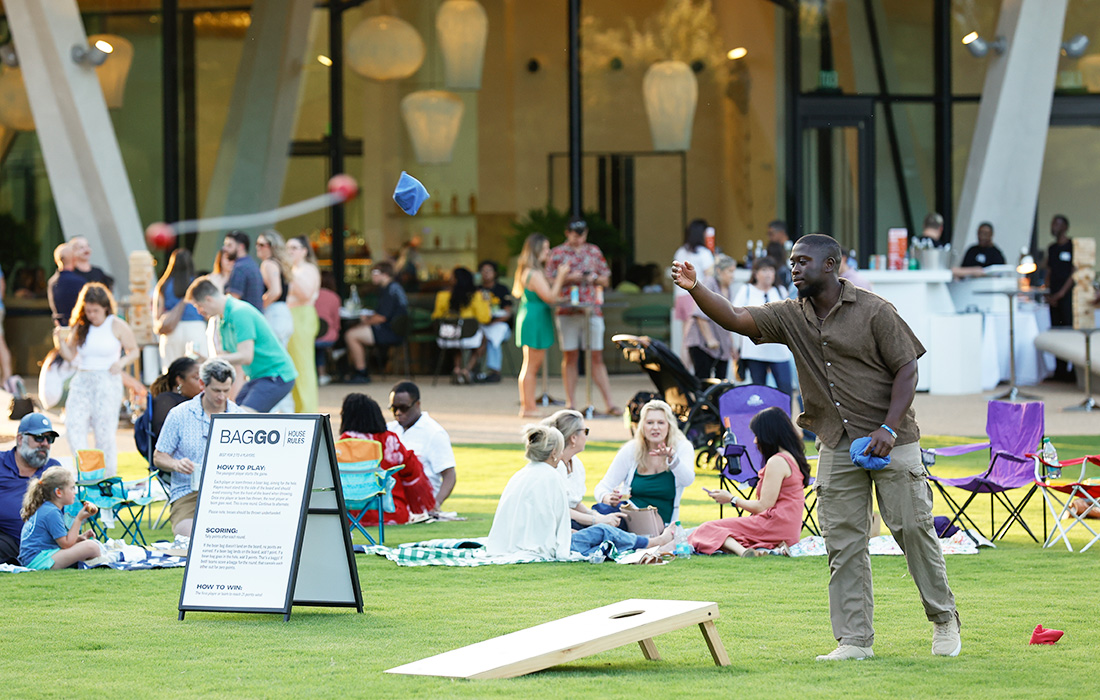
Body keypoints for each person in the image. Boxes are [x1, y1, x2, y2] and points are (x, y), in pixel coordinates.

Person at [672, 233, 961, 661]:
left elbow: (907, 369)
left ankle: (944, 621)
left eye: (802, 261)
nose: (793, 268)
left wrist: (889, 427)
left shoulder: (875, 311)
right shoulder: (790, 315)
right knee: (843, 543)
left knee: (913, 531)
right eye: (791, 261)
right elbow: (733, 317)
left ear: (830, 266)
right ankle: (855, 641)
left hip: (891, 439)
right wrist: (697, 287)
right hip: (837, 441)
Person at [485, 423, 675, 559]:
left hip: (515, 541)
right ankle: (652, 542)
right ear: (553, 453)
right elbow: (557, 519)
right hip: (543, 546)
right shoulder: (550, 476)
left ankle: (646, 542)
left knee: (596, 530)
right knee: (602, 531)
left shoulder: (521, 474)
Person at [690, 406, 810, 556]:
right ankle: (759, 549)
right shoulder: (792, 458)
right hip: (788, 528)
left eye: (757, 435)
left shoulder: (777, 461)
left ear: (768, 435)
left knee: (706, 529)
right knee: (721, 531)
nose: (754, 441)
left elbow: (763, 506)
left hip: (775, 525)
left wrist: (731, 499)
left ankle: (743, 551)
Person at [54, 283, 139, 477]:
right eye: (88, 310)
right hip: (83, 378)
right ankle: (86, 471)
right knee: (74, 426)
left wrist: (122, 362)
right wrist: (59, 341)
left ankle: (106, 476)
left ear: (105, 308)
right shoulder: (82, 327)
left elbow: (133, 350)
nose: (92, 315)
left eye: (95, 310)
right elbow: (70, 355)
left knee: (104, 433)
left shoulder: (116, 325)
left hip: (107, 379)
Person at [154, 359, 241, 537]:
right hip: (188, 493)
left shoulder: (239, 416)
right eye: (216, 390)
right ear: (202, 384)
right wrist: (176, 464)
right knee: (193, 540)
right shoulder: (179, 414)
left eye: (226, 390)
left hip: (230, 495)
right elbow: (159, 457)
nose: (222, 396)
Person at [185, 276, 297, 412]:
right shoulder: (222, 318)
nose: (199, 311)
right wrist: (204, 360)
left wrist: (213, 360)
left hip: (276, 375)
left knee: (243, 417)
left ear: (208, 299)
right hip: (257, 376)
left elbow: (245, 356)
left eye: (199, 306)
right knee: (234, 413)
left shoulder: (239, 312)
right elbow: (227, 356)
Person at [546, 217, 616, 415]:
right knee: (570, 356)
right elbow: (549, 278)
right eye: (575, 235)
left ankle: (609, 403)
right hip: (567, 310)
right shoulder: (558, 253)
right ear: (567, 233)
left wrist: (590, 278)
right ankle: (571, 404)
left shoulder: (593, 251)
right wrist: (568, 278)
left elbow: (605, 278)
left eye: (582, 235)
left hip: (591, 309)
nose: (579, 239)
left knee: (596, 356)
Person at [592, 399, 695, 526]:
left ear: (669, 425)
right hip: (630, 518)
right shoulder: (632, 449)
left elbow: (687, 480)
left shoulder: (682, 447)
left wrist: (673, 459)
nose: (655, 427)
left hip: (662, 525)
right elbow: (602, 487)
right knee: (600, 517)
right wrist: (607, 498)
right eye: (650, 422)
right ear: (642, 426)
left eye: (661, 422)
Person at [338, 393, 437, 524]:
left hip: (353, 516)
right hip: (393, 512)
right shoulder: (391, 441)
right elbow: (412, 471)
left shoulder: (343, 444)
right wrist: (420, 506)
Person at [513, 233, 569, 417]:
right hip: (535, 318)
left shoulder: (529, 271)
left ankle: (527, 405)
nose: (548, 251)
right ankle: (528, 407)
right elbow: (550, 297)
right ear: (536, 250)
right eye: (545, 248)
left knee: (530, 364)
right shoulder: (533, 272)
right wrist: (561, 276)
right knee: (531, 366)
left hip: (533, 315)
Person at [542, 409, 623, 530]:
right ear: (573, 438)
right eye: (585, 431)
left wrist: (596, 516)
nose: (586, 436)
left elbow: (574, 503)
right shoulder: (555, 466)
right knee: (601, 531)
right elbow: (561, 509)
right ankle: (648, 542)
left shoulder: (575, 463)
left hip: (571, 519)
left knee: (613, 514)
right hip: (557, 524)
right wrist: (596, 520)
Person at [0, 413, 62, 565]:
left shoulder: (53, 470)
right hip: (6, 538)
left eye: (50, 439)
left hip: (41, 545)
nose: (45, 443)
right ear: (20, 439)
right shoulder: (1, 463)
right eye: (39, 437)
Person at [386, 381, 456, 512]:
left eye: (403, 407)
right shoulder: (389, 429)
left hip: (421, 501)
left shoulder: (434, 432)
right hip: (395, 499)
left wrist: (436, 504)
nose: (398, 413)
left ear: (417, 404)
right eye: (394, 408)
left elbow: (449, 474)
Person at [730, 257, 794, 395]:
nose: (768, 274)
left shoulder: (780, 291)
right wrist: (735, 346)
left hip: (779, 351)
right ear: (756, 273)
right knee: (758, 393)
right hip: (754, 350)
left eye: (771, 270)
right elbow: (733, 317)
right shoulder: (746, 290)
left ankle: (785, 417)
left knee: (785, 390)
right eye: (764, 270)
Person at [18, 466, 101, 570]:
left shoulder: (48, 508)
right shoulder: (51, 512)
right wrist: (79, 519)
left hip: (37, 558)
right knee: (91, 547)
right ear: (59, 492)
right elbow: (66, 544)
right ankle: (96, 563)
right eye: (72, 488)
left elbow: (61, 541)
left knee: (90, 544)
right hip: (39, 561)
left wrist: (80, 538)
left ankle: (91, 562)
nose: (75, 492)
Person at [344, 261, 408, 384]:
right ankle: (359, 368)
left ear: (385, 274)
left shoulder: (390, 290)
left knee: (351, 335)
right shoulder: (392, 288)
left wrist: (365, 322)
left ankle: (361, 371)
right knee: (354, 331)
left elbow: (382, 317)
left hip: (389, 331)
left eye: (375, 273)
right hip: (392, 329)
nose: (373, 276)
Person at [432, 266, 491, 385]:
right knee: (483, 339)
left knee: (457, 344)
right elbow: (485, 318)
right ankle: (467, 369)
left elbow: (436, 316)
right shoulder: (476, 296)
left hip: (447, 337)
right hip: (469, 336)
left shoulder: (443, 295)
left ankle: (457, 368)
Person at [684, 254, 737, 381]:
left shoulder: (727, 288)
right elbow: (700, 315)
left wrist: (731, 345)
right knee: (703, 379)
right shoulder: (709, 282)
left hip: (720, 342)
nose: (732, 276)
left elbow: (728, 317)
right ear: (719, 271)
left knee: (721, 381)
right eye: (730, 271)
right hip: (702, 341)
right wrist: (710, 339)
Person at [154, 249, 208, 368]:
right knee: (198, 369)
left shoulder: (163, 284)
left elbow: (157, 313)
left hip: (172, 329)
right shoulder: (197, 283)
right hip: (196, 328)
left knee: (171, 370)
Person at [285, 236, 320, 412]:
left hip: (302, 316)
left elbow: (306, 294)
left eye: (294, 248)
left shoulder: (308, 269)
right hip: (290, 315)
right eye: (288, 248)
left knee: (303, 365)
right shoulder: (293, 269)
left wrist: (289, 274)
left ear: (304, 251)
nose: (290, 251)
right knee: (292, 364)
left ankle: (307, 409)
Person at [1045, 214, 1074, 381]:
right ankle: (1059, 370)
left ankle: (1071, 370)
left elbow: (1074, 272)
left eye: (1056, 224)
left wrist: (1061, 293)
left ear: (1065, 226)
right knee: (1056, 331)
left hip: (1067, 296)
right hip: (1053, 296)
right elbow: (1049, 270)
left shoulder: (1072, 246)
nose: (1053, 227)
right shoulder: (1052, 248)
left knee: (1068, 330)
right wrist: (1049, 293)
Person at [255, 230, 294, 348]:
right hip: (284, 313)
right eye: (257, 244)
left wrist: (260, 307)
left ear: (272, 247)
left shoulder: (268, 264)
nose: (258, 247)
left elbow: (275, 291)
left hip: (274, 314)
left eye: (262, 245)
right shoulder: (280, 264)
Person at [477, 260, 514, 383]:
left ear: (495, 273)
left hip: (500, 325)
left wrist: (493, 322)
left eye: (489, 271)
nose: (486, 273)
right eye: (483, 271)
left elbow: (508, 313)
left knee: (494, 335)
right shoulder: (477, 290)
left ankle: (494, 371)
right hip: (482, 324)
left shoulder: (502, 289)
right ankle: (475, 370)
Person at [673, 219, 716, 299]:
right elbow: (709, 276)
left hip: (679, 296)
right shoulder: (704, 253)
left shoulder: (680, 251)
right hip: (695, 297)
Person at [222, 230, 265, 310]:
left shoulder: (240, 267)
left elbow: (232, 300)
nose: (224, 248)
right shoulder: (252, 264)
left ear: (241, 247)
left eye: (229, 245)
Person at [47, 243, 86, 327]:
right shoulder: (80, 282)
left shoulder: (51, 282)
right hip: (77, 327)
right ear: (74, 259)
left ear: (56, 260)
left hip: (60, 327)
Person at [314, 271, 342, 386]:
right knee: (321, 348)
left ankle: (318, 374)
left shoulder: (310, 295)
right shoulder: (334, 297)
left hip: (311, 334)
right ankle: (323, 374)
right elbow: (336, 323)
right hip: (328, 336)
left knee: (316, 348)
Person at [765, 220, 794, 288]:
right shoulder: (771, 248)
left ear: (781, 233)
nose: (769, 237)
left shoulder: (794, 249)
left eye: (771, 234)